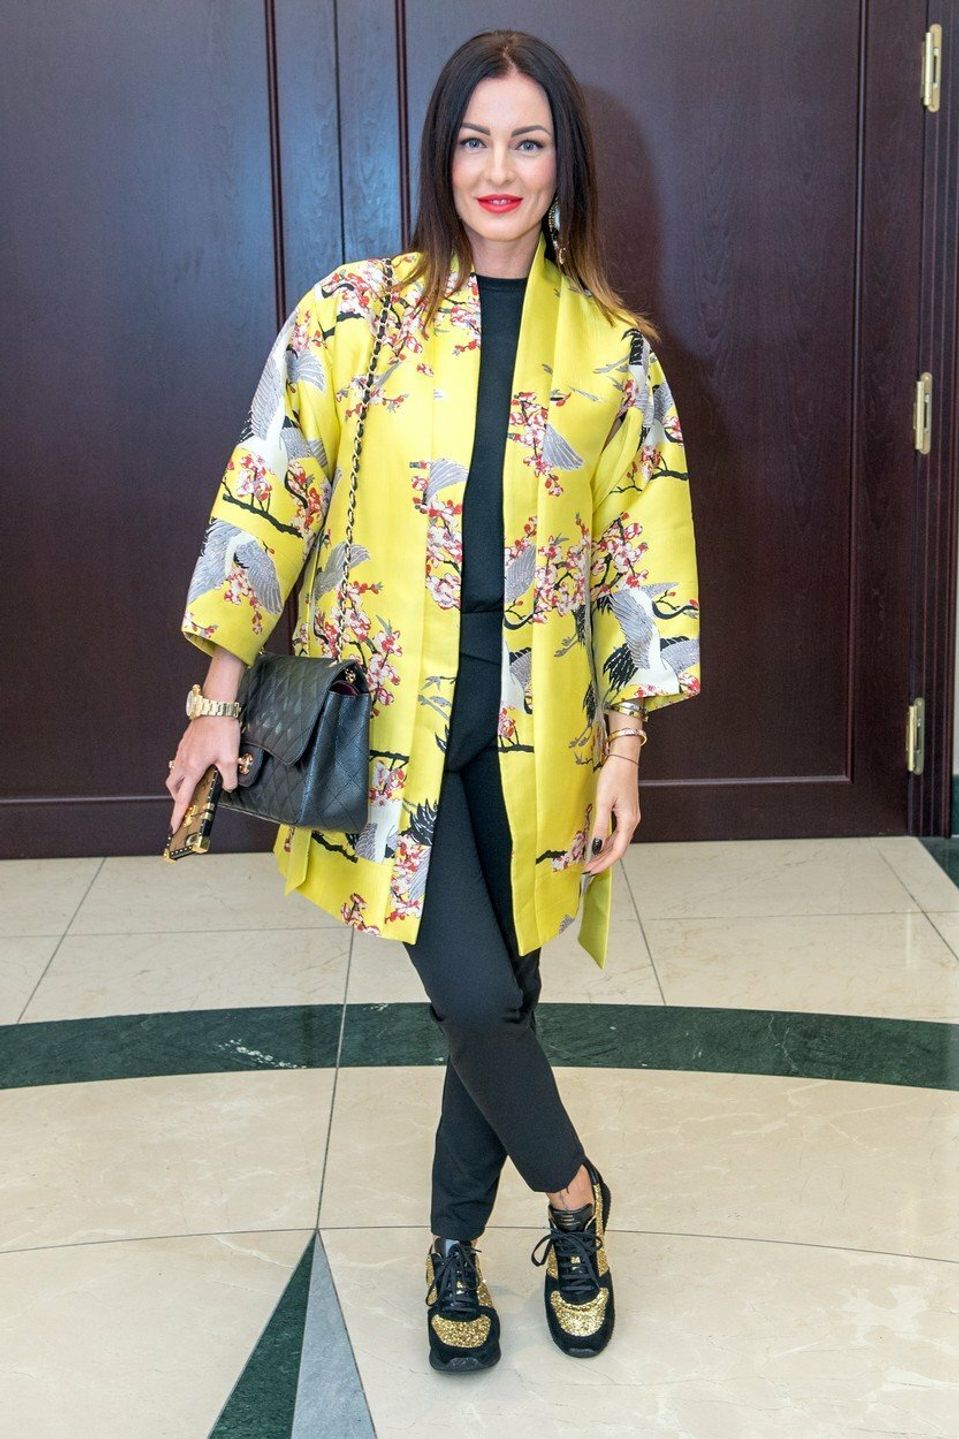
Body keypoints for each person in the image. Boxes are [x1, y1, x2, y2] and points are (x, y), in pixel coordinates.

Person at [167, 28, 700, 1374]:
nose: (498, 169)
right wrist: (217, 691)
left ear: (565, 164)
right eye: (474, 139)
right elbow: (271, 491)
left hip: (543, 741)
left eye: (528, 141)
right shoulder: (356, 317)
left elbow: (641, 564)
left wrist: (627, 752)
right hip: (390, 730)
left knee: (499, 995)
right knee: (476, 993)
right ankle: (573, 1199)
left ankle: (454, 1245)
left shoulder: (616, 358)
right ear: (439, 157)